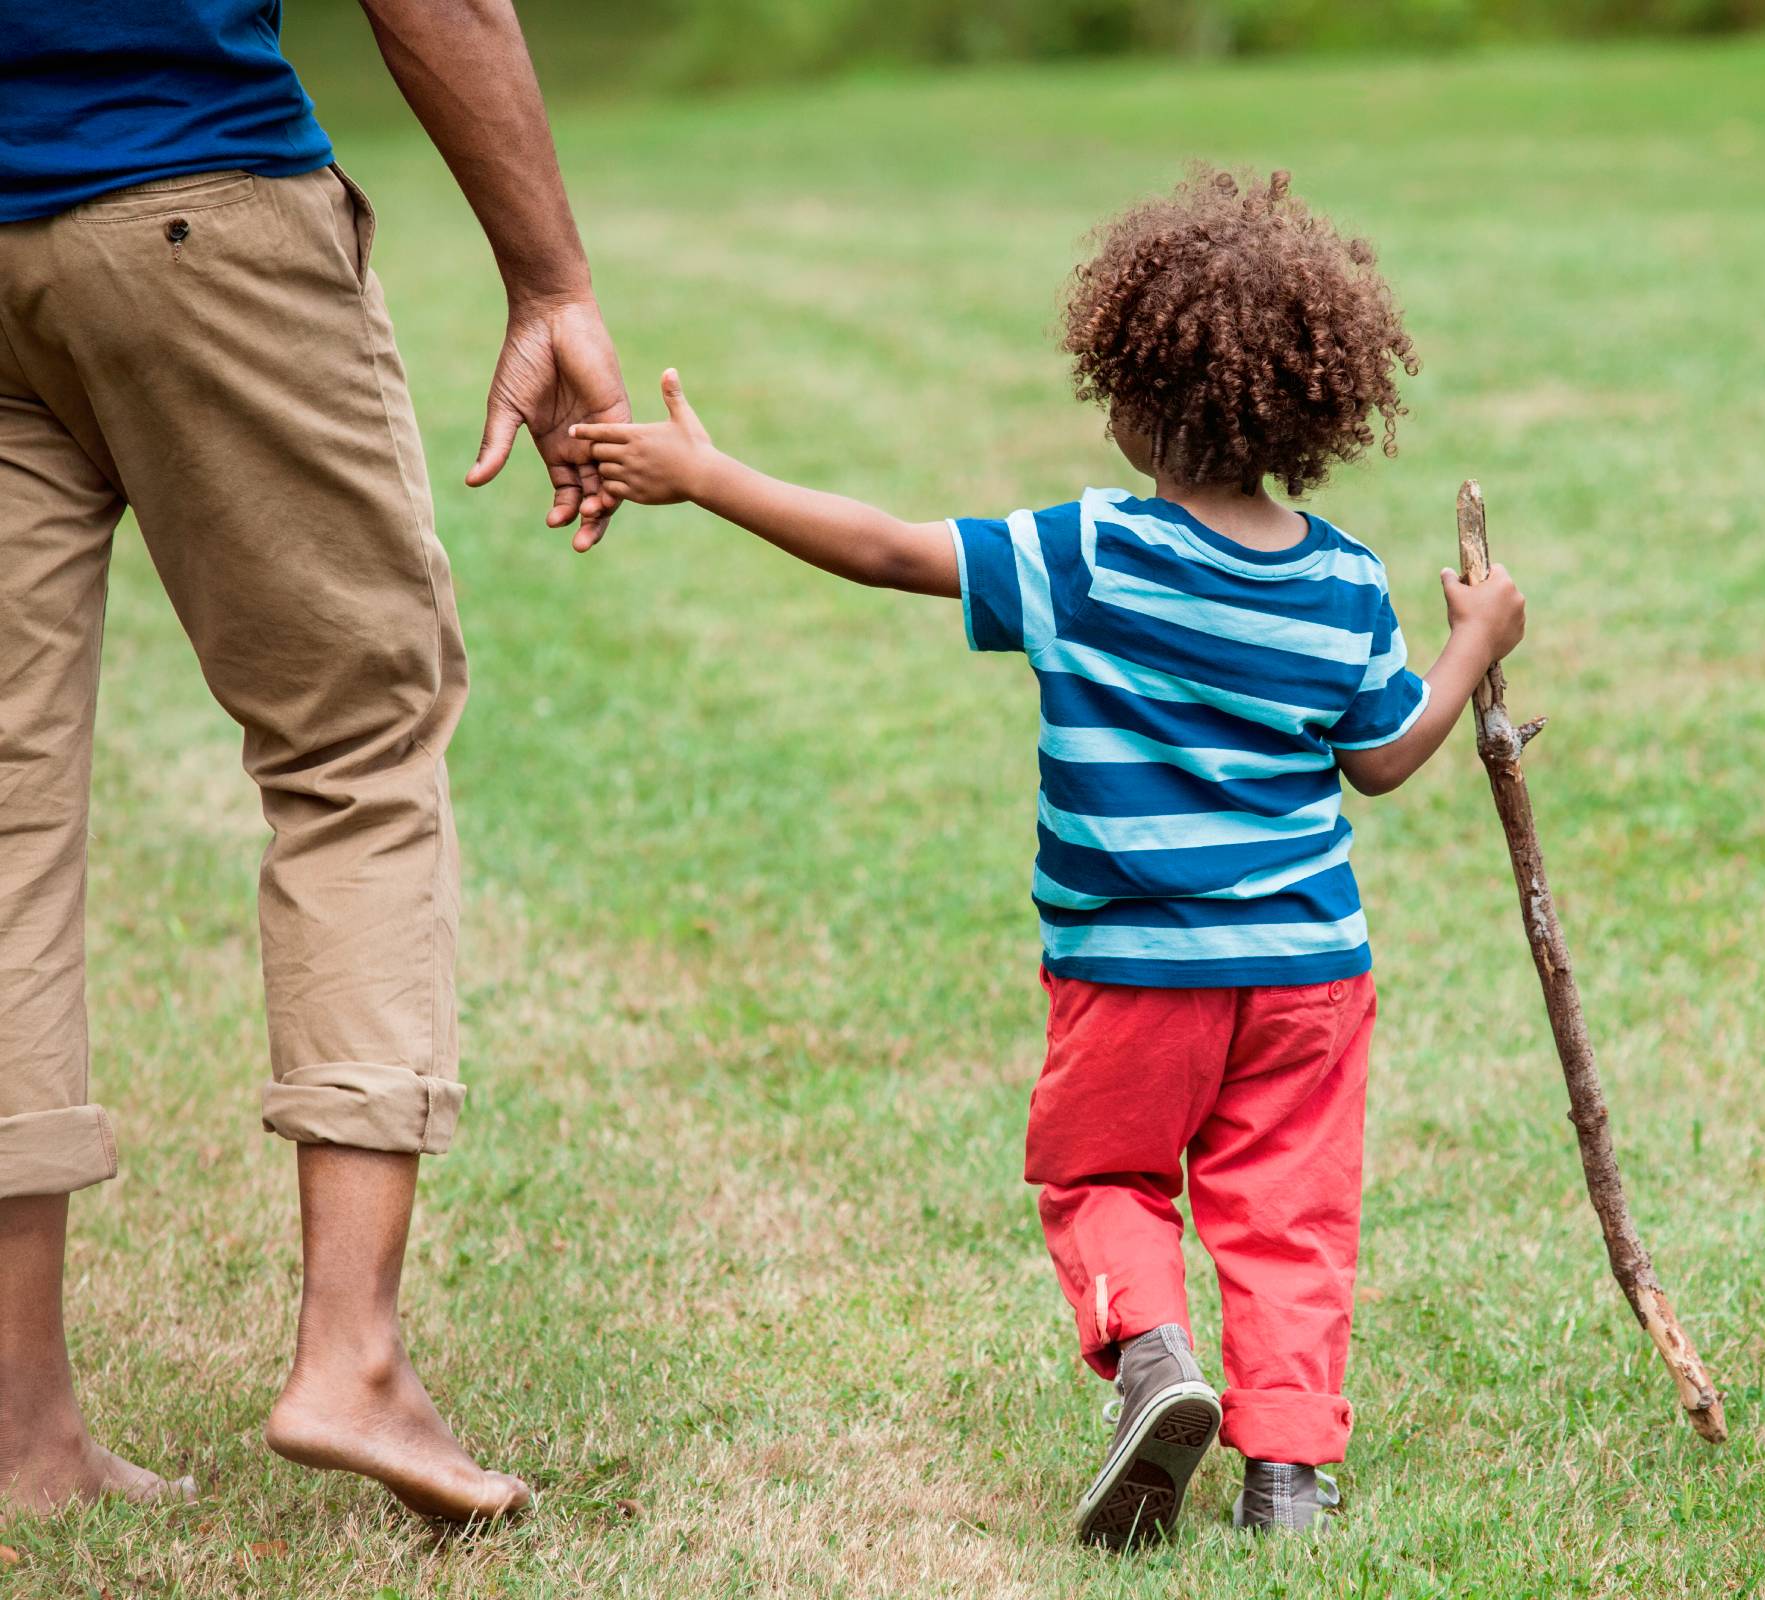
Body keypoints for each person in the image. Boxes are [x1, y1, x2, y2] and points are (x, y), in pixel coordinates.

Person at [569, 167, 1528, 1548]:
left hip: (1132, 974)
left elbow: (894, 553)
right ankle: (1290, 1477)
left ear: (1130, 388)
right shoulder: (1339, 581)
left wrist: (712, 477)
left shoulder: (1091, 553)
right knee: (1288, 1214)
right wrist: (1473, 645)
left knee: (1107, 1181)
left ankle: (1153, 1363)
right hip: (1309, 974)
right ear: (1311, 409)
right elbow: (1381, 757)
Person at [0, 0, 628, 1520]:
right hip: (189, 192)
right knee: (356, 745)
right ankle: (349, 1358)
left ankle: (19, 1429)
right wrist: (548, 276)